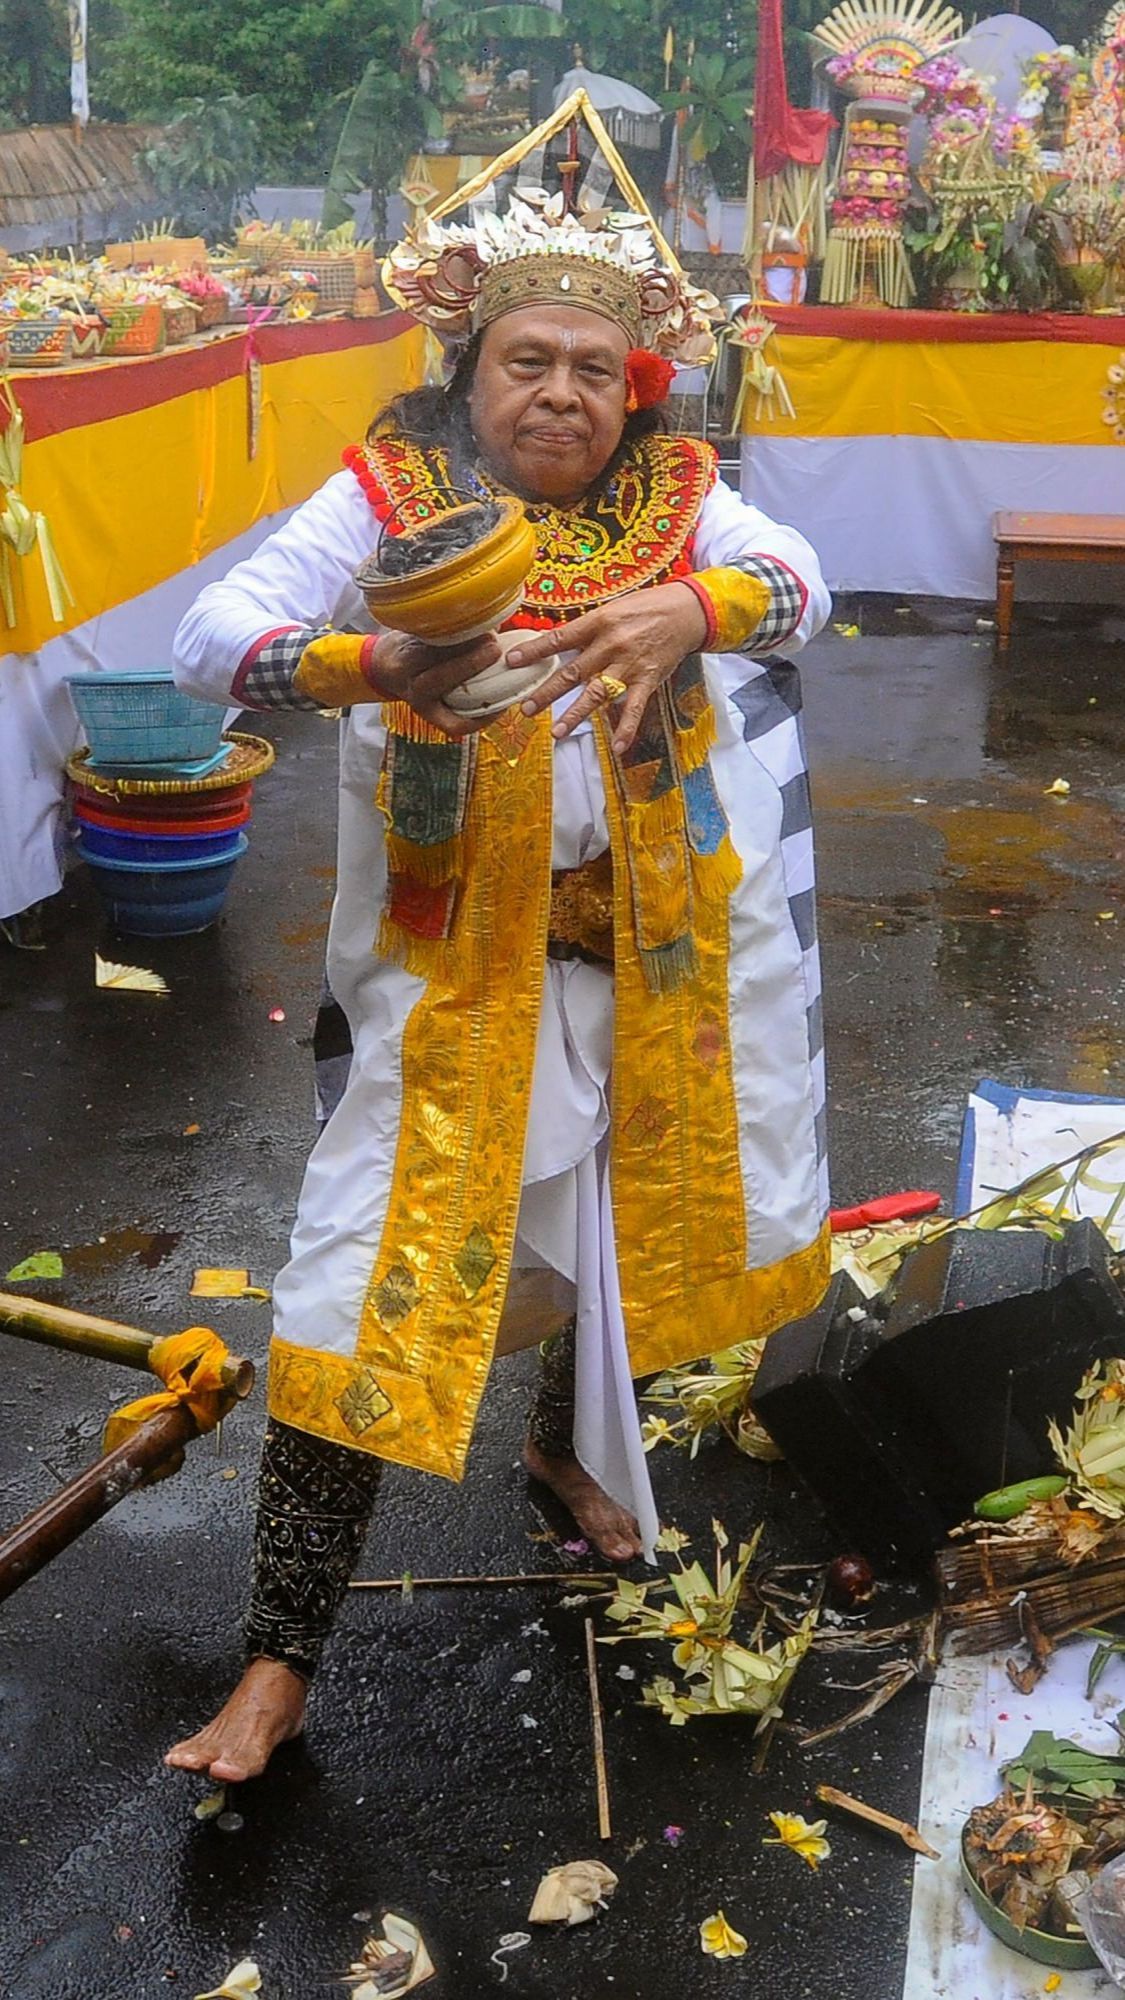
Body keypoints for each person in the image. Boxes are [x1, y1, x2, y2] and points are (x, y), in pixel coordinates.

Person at [166, 184, 832, 1785]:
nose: (558, 393)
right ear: (469, 371)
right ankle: (276, 1662)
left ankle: (555, 1445)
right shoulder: (390, 493)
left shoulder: (686, 496)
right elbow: (210, 636)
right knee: (348, 1289)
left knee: (611, 1238)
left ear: (636, 392)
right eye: (527, 359)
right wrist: (371, 662)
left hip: (654, 972)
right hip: (452, 986)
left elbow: (809, 588)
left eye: (593, 369)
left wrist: (698, 602)